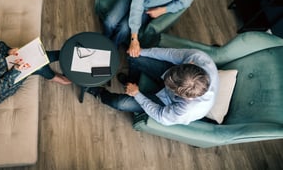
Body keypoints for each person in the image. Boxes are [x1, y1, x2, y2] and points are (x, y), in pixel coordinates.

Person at [86, 47, 219, 125]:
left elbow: (160, 115)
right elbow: (169, 54)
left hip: (165, 103)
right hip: (178, 78)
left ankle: (100, 93)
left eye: (170, 86)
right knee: (134, 57)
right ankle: (131, 82)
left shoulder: (186, 110)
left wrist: (137, 95)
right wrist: (141, 51)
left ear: (182, 96)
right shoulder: (198, 58)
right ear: (191, 64)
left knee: (120, 103)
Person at [0, 17, 71, 104]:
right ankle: (56, 77)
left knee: (42, 55)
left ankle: (67, 56)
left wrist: (8, 51)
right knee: (38, 66)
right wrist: (15, 71)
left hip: (3, 65)